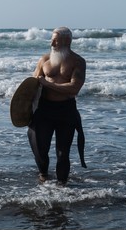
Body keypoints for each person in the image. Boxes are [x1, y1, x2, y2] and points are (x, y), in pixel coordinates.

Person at [27, 27, 86, 184]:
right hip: (44, 109)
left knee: (63, 152)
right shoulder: (44, 60)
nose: (52, 43)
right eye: (52, 39)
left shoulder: (78, 62)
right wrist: (24, 107)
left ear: (67, 41)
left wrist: (47, 83)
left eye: (56, 40)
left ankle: (62, 185)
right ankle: (44, 175)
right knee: (39, 148)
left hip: (66, 110)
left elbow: (74, 88)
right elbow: (32, 84)